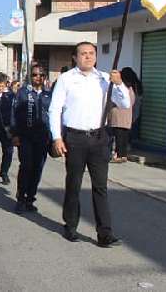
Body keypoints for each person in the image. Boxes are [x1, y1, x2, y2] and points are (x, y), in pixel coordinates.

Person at [49, 41, 129, 247]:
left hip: (99, 138)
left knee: (100, 186)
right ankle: (71, 226)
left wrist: (119, 84)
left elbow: (125, 104)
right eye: (83, 53)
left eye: (91, 53)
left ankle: (105, 233)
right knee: (73, 184)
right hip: (74, 138)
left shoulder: (105, 79)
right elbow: (54, 109)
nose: (88, 57)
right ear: (75, 57)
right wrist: (57, 137)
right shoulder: (66, 79)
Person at [11, 65, 52, 214]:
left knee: (37, 168)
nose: (38, 77)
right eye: (35, 75)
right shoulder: (23, 93)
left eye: (41, 74)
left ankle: (30, 198)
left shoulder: (49, 94)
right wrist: (14, 134)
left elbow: (55, 115)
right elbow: (14, 114)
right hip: (25, 136)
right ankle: (21, 198)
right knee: (26, 166)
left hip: (42, 138)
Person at [109, 67, 140, 163]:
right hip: (127, 116)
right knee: (124, 136)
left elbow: (113, 100)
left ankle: (117, 155)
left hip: (117, 116)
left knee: (117, 137)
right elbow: (133, 102)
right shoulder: (132, 88)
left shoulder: (122, 88)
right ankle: (123, 155)